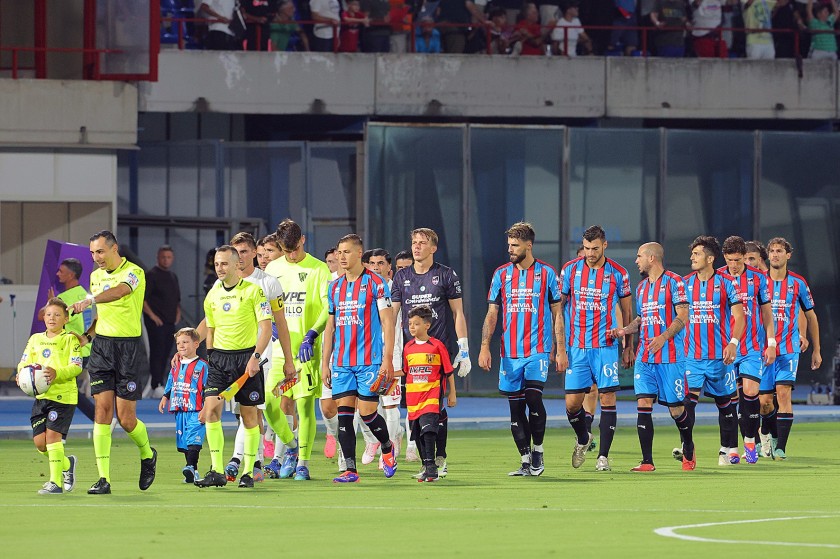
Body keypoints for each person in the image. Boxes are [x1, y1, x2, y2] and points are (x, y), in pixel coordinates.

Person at [71, 230, 157, 495]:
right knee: (102, 412)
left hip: (128, 350)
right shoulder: (95, 277)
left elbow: (120, 292)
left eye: (100, 251)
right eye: (92, 253)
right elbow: (100, 314)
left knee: (127, 419)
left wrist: (90, 299)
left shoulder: (134, 272)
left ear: (114, 249)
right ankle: (103, 478)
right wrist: (87, 336)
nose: (96, 258)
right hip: (103, 348)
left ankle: (147, 453)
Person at [479, 222, 563, 477]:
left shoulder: (547, 274)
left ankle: (538, 450)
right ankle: (526, 459)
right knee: (515, 409)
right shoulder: (501, 275)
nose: (510, 250)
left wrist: (560, 350)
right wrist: (484, 346)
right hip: (509, 353)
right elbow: (492, 313)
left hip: (537, 349)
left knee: (534, 398)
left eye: (515, 245)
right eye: (509, 245)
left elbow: (557, 313)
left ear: (529, 245)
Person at [194, 245, 278, 488]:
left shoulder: (253, 292)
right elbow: (210, 329)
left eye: (224, 264)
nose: (219, 268)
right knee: (210, 411)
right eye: (217, 264)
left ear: (235, 265)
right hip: (219, 360)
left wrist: (256, 356)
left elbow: (265, 327)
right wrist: (209, 357)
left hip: (246, 359)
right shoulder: (212, 295)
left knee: (249, 416)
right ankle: (217, 470)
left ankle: (249, 471)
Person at [391, 227, 471, 475]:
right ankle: (435, 457)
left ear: (433, 248)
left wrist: (464, 347)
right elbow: (391, 317)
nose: (416, 247)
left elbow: (457, 312)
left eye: (422, 243)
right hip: (410, 355)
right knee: (415, 411)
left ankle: (436, 460)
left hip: (437, 354)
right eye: (414, 242)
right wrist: (386, 351)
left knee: (433, 408)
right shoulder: (401, 277)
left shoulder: (446, 275)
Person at [610, 242, 696, 472]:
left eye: (639, 256)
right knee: (643, 403)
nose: (636, 260)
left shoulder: (675, 282)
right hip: (645, 357)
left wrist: (663, 337)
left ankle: (688, 445)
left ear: (651, 258)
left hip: (670, 357)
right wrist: (624, 330)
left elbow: (683, 315)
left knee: (676, 410)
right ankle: (647, 461)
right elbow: (642, 319)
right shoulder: (641, 288)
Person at [320, 234, 398, 483]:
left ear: (358, 254)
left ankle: (387, 447)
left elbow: (388, 322)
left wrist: (387, 359)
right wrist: (325, 363)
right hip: (342, 362)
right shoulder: (334, 287)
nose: (341, 257)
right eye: (339, 253)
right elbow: (330, 327)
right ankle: (350, 469)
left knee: (367, 413)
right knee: (344, 414)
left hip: (369, 361)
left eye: (346, 252)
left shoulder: (376, 284)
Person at [224, 232, 297, 483]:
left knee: (254, 411)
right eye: (236, 253)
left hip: (264, 358)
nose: (240, 257)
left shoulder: (268, 283)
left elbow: (281, 324)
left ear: (254, 252)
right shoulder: (223, 284)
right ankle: (288, 446)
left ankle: (239, 460)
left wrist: (288, 360)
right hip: (233, 358)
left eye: (244, 251)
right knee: (251, 414)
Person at [558, 225, 633, 472]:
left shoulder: (618, 274)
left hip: (606, 347)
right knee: (572, 405)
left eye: (595, 248)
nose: (590, 253)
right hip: (576, 347)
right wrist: (559, 345)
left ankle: (603, 457)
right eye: (587, 248)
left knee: (607, 398)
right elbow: (559, 310)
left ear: (605, 245)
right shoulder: (570, 270)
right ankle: (583, 438)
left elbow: (626, 311)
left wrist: (627, 345)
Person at [264, 219, 332, 481]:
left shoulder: (318, 269)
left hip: (305, 353)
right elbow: (264, 303)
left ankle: (303, 462)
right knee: (270, 407)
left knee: (304, 408)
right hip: (279, 351)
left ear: (303, 240)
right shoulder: (274, 267)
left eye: (294, 248)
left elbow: (328, 308)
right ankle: (291, 446)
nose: (291, 255)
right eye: (286, 250)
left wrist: (313, 334)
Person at [682, 236, 746, 466]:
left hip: (720, 357)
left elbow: (740, 317)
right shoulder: (685, 283)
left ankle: (726, 450)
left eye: (697, 254)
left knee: (725, 404)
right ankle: (687, 449)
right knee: (687, 404)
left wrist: (733, 343)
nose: (692, 257)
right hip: (691, 357)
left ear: (710, 258)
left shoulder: (728, 283)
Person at [759, 237, 821, 459]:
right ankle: (767, 432)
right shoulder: (759, 282)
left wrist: (816, 349)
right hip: (762, 350)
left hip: (788, 348)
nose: (775, 254)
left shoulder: (798, 283)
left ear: (788, 255)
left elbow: (811, 316)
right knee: (765, 402)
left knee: (783, 394)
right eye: (772, 251)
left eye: (779, 251)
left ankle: (781, 447)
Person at [718, 236, 776, 463]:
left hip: (751, 347)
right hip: (725, 348)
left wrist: (771, 343)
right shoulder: (718, 277)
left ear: (744, 257)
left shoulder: (759, 278)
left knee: (751, 393)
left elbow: (767, 314)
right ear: (724, 257)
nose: (734, 265)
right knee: (730, 399)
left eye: (738, 260)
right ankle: (731, 447)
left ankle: (750, 441)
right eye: (730, 260)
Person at [17, 298, 82, 494]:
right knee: (41, 444)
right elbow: (24, 361)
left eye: (57, 315)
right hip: (41, 398)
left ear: (66, 318)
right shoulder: (35, 339)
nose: (52, 318)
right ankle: (66, 464)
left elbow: (77, 366)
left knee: (53, 438)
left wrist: (57, 373)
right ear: (43, 317)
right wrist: (21, 374)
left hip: (63, 397)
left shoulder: (70, 339)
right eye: (48, 314)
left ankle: (55, 483)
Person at [399, 305, 455, 482]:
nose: (412, 327)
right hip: (413, 399)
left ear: (427, 325)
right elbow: (405, 371)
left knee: (428, 429)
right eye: (410, 324)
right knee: (417, 434)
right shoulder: (408, 348)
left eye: (416, 323)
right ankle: (427, 465)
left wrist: (452, 393)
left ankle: (432, 468)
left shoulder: (437, 346)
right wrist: (389, 375)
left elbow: (448, 371)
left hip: (431, 396)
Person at [38, 258, 95, 422]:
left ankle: (98, 419)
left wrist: (51, 303)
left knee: (63, 388)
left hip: (72, 350)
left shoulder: (65, 297)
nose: (57, 274)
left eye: (61, 271)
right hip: (85, 348)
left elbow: (42, 316)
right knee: (68, 389)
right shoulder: (85, 295)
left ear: (71, 275)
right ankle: (96, 420)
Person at [365, 248, 406, 468]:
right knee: (367, 405)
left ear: (389, 267)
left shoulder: (396, 290)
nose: (376, 267)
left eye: (380, 263)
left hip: (393, 353)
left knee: (390, 405)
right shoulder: (365, 289)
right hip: (368, 354)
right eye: (372, 263)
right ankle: (373, 440)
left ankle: (386, 453)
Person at [158, 328, 209, 483]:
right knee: (185, 441)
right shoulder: (176, 364)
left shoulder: (203, 366)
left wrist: (207, 406)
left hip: (196, 409)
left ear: (196, 344)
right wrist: (165, 396)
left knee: (194, 438)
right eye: (179, 343)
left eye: (185, 342)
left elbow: (208, 388)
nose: (181, 346)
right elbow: (171, 381)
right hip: (180, 409)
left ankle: (191, 467)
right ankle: (193, 472)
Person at [144, 245, 182, 399]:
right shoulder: (151, 275)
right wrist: (152, 316)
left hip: (170, 322)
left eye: (169, 257)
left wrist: (177, 314)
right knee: (157, 352)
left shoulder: (173, 276)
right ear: (158, 258)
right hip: (156, 323)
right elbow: (143, 299)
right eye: (163, 257)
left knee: (167, 352)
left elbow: (177, 300)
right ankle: (155, 384)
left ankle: (161, 382)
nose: (166, 260)